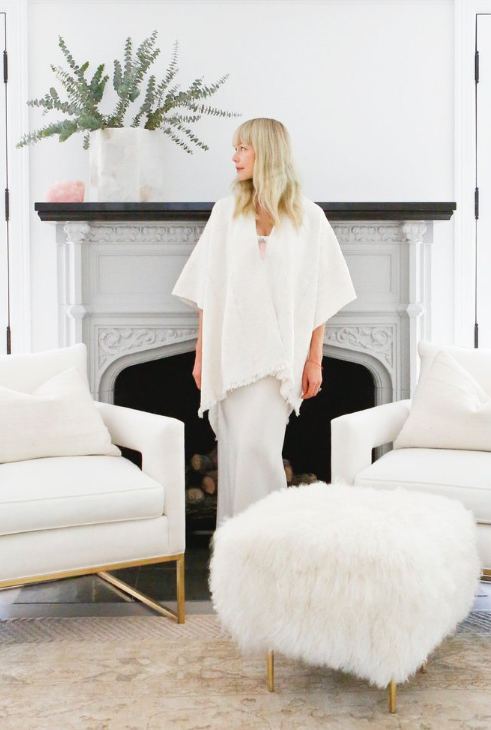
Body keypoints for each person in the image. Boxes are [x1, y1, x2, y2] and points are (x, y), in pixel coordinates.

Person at [172, 118, 356, 524]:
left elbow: (319, 295)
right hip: (231, 353)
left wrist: (313, 360)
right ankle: (236, 548)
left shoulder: (309, 218)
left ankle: (271, 537)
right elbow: (208, 290)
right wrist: (202, 356)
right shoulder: (225, 214)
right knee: (237, 451)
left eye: (243, 148)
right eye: (235, 148)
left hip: (278, 360)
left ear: (267, 153)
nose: (234, 157)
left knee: (259, 447)